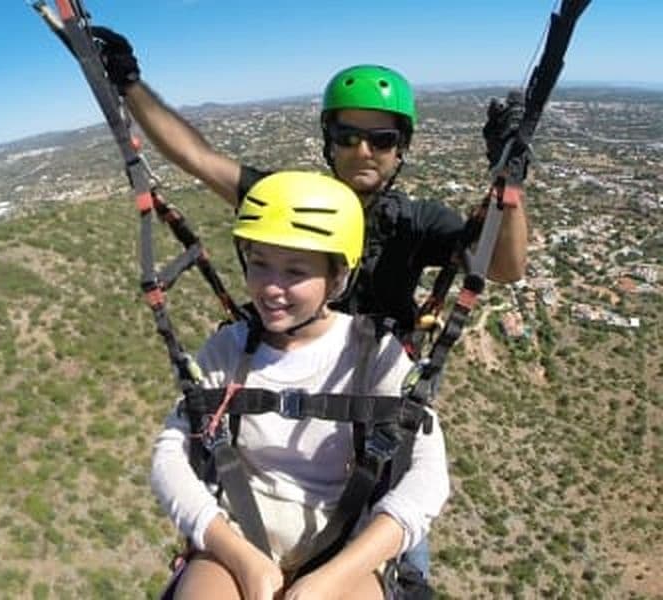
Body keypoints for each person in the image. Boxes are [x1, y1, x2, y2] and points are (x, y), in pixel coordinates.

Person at [92, 27, 524, 577]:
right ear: (329, 140)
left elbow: (503, 266)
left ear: (401, 146)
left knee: (398, 554)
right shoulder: (291, 207)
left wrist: (511, 182)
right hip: (287, 389)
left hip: (375, 396)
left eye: (382, 139)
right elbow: (198, 158)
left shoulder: (418, 222)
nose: (363, 151)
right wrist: (130, 87)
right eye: (347, 136)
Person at [150, 171, 449, 599]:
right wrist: (239, 556)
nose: (271, 287)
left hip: (345, 551)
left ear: (337, 277)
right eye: (259, 263)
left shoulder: (375, 357)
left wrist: (332, 578)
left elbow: (427, 476)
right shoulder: (227, 351)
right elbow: (170, 457)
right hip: (237, 541)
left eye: (295, 271)